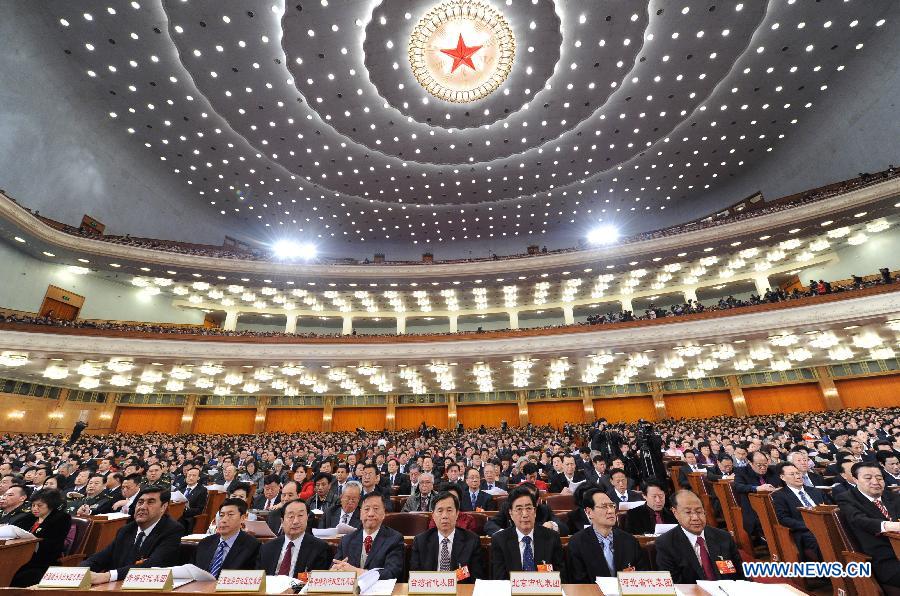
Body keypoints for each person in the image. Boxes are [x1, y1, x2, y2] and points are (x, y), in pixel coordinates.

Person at [82, 487, 185, 584]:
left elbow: (153, 566)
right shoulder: (126, 530)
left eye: (150, 502)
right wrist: (80, 572)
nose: (142, 507)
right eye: (140, 502)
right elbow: (101, 557)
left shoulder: (172, 530)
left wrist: (108, 576)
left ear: (163, 507)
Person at [655, 490, 744, 584]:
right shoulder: (666, 544)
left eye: (699, 511)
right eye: (688, 512)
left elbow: (741, 575)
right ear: (675, 513)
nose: (695, 518)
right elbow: (675, 585)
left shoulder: (723, 537)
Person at [835, 462, 900, 588]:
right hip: (884, 560)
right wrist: (892, 526)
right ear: (855, 479)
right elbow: (859, 520)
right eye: (868, 478)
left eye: (879, 478)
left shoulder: (891, 496)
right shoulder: (847, 498)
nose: (875, 481)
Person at [567, 488, 649, 582]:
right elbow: (579, 581)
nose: (610, 511)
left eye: (612, 505)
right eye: (604, 506)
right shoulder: (577, 543)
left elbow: (641, 575)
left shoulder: (629, 540)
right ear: (589, 512)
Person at [490, 487, 565, 579]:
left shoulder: (552, 537)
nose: (525, 514)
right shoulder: (500, 540)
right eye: (519, 509)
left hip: (544, 591)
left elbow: (560, 576)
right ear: (511, 513)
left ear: (535, 512)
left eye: (529, 508)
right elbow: (500, 580)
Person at [409, 491, 485, 582]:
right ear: (433, 515)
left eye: (449, 510)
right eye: (440, 511)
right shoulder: (421, 541)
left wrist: (448, 580)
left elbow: (476, 576)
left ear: (457, 514)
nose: (445, 516)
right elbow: (415, 577)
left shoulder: (471, 540)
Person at [331, 492, 404, 579]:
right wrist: (335, 570)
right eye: (366, 509)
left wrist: (358, 572)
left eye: (376, 509)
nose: (370, 514)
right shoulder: (346, 540)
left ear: (384, 513)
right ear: (361, 514)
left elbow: (393, 573)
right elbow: (336, 565)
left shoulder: (394, 539)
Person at [10, 489, 72, 587]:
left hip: (43, 561)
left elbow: (54, 543)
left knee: (19, 575)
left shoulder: (61, 518)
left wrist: (33, 541)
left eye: (39, 506)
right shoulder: (29, 518)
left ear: (50, 505)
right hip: (21, 555)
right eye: (33, 505)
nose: (35, 508)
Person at [257, 499, 332, 576]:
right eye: (291, 516)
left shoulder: (320, 548)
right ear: (282, 521)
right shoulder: (267, 548)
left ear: (307, 518)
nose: (296, 521)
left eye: (300, 515)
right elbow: (259, 579)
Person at [771, 462, 828, 560]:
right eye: (792, 474)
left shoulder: (815, 491)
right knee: (822, 541)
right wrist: (810, 525)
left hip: (826, 525)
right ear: (783, 477)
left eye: (798, 473)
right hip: (805, 531)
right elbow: (783, 519)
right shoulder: (779, 496)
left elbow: (829, 507)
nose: (797, 476)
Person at [193, 498, 260, 576]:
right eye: (221, 515)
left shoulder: (253, 546)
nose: (223, 520)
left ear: (242, 518)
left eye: (230, 515)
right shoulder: (205, 543)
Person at [484, 482, 565, 535]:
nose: (524, 514)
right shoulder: (507, 507)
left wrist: (552, 525)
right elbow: (490, 525)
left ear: (536, 502)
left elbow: (564, 528)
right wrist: (504, 534)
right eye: (519, 508)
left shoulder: (544, 510)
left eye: (528, 506)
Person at [179, 466, 208, 532]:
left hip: (188, 518)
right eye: (189, 475)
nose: (191, 478)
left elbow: (200, 510)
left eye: (194, 476)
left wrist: (185, 510)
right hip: (177, 513)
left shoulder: (202, 490)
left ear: (198, 478)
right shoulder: (181, 488)